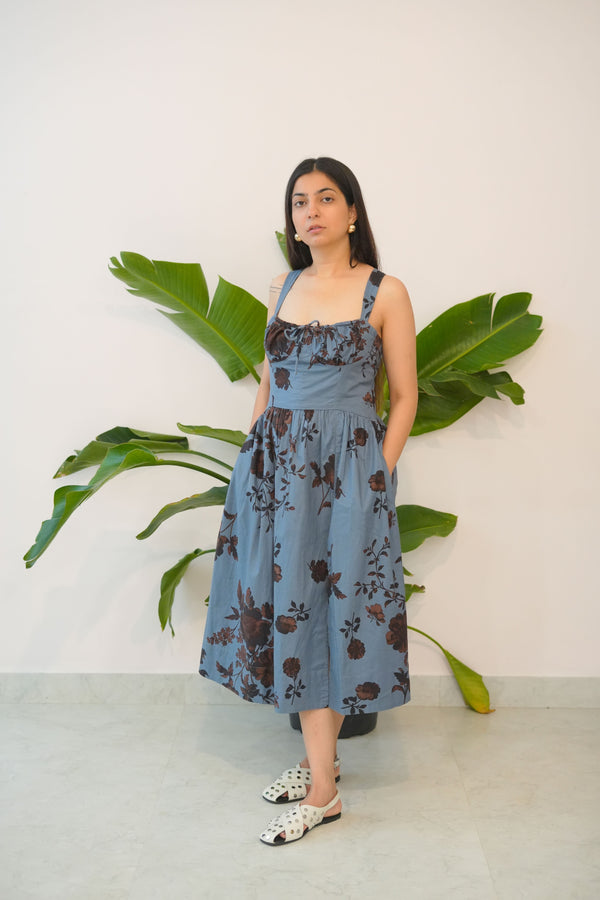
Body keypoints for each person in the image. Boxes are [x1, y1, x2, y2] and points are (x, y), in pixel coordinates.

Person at [199, 157, 418, 845]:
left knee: (329, 613)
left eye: (327, 198)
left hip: (347, 477)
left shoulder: (384, 292)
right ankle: (319, 765)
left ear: (353, 211)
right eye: (299, 201)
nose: (311, 211)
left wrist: (374, 481)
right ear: (291, 219)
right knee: (293, 611)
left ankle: (323, 795)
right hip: (274, 476)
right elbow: (269, 383)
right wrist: (251, 462)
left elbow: (405, 398)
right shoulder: (282, 284)